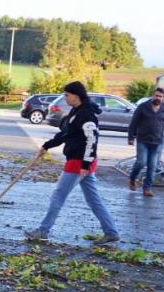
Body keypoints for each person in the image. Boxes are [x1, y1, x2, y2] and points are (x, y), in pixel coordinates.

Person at [25, 81, 120, 245]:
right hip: (79, 161)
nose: (65, 98)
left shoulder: (87, 115)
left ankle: (43, 230)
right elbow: (66, 134)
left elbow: (92, 141)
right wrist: (47, 146)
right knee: (93, 199)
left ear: (76, 96)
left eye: (67, 95)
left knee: (58, 196)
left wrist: (85, 165)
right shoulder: (76, 112)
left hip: (79, 162)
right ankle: (111, 232)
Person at [128, 87, 164, 197]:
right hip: (143, 140)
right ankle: (132, 178)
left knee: (152, 166)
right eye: (156, 95)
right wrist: (131, 137)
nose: (158, 98)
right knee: (141, 162)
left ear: (163, 98)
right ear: (152, 96)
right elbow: (133, 123)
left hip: (157, 142)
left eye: (160, 96)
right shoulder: (143, 107)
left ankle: (147, 188)